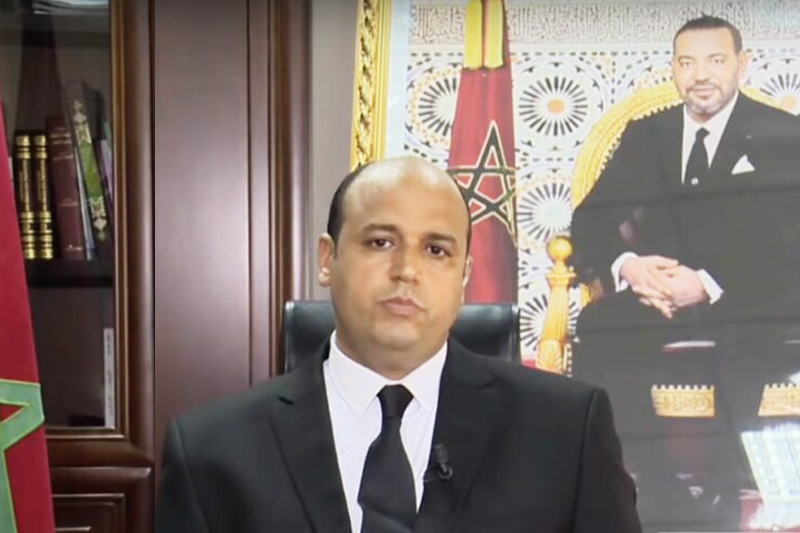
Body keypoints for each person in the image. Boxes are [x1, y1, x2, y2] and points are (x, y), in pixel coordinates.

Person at [156, 156, 641, 532]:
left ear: (464, 277)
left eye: (436, 250)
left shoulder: (565, 433)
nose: (407, 270)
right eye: (380, 242)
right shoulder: (212, 451)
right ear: (327, 259)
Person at [570, 15, 800, 532]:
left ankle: (725, 486)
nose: (701, 75)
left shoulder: (784, 135)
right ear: (673, 69)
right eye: (687, 62)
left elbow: (789, 246)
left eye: (715, 60)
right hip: (657, 297)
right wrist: (631, 268)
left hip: (746, 297)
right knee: (600, 326)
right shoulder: (646, 135)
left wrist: (707, 284)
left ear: (742, 65)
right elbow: (589, 221)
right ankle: (655, 485)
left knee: (749, 333)